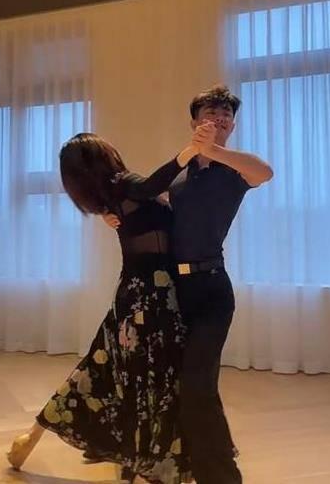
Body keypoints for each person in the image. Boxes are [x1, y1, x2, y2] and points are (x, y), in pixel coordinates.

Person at [104, 84, 274, 484]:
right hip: (172, 293)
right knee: (171, 381)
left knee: (199, 383)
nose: (218, 119)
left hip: (212, 290)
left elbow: (265, 172)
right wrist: (114, 218)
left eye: (225, 115)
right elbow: (149, 208)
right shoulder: (178, 178)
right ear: (194, 122)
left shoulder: (236, 171)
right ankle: (169, 463)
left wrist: (212, 150)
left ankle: (221, 476)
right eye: (210, 113)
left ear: (232, 125)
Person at [6, 132, 199, 483]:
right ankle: (146, 459)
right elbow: (151, 185)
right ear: (101, 156)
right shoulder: (122, 183)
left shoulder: (109, 197)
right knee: (150, 376)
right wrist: (187, 154)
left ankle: (29, 440)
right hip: (153, 296)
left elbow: (147, 198)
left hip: (134, 293)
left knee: (102, 366)